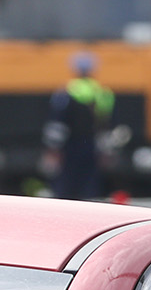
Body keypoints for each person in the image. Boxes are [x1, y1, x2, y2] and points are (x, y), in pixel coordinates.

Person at [42, 52, 114, 200]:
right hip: (92, 146)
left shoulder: (66, 92)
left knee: (65, 186)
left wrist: (53, 149)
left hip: (70, 146)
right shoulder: (102, 93)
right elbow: (106, 125)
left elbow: (58, 125)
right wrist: (106, 151)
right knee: (90, 186)